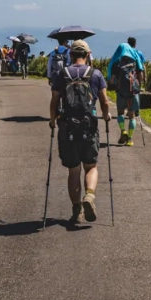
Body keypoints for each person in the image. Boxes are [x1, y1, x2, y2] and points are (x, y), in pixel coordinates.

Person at [49, 39, 111, 223]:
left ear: (71, 55)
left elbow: (54, 102)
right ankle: (89, 196)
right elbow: (105, 102)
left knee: (74, 170)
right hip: (88, 126)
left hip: (67, 126)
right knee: (91, 166)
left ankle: (77, 211)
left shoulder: (62, 74)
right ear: (87, 55)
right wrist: (106, 116)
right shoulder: (95, 74)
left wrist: (53, 121)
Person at [108, 41, 145, 146]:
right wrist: (137, 85)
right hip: (133, 91)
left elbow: (112, 80)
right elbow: (141, 76)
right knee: (132, 115)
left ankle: (123, 130)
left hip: (121, 92)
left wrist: (116, 83)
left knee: (120, 113)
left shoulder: (117, 62)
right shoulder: (135, 60)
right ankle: (130, 139)